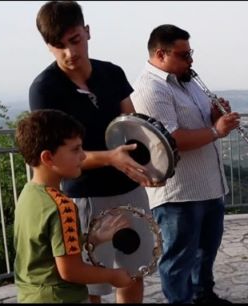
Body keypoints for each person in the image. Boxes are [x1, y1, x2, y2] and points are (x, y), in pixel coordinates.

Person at [29, 1, 157, 303]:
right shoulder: (45, 89)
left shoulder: (111, 73)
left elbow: (133, 126)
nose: (70, 53)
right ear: (48, 45)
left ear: (87, 32)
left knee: (133, 270)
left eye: (75, 40)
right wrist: (111, 157)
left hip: (128, 190)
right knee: (92, 281)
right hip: (84, 195)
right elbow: (60, 156)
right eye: (58, 45)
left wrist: (151, 165)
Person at [129, 24, 239, 304]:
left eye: (191, 53)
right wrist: (217, 131)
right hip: (180, 191)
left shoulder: (187, 82)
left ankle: (204, 295)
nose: (190, 61)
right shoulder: (150, 88)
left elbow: (197, 122)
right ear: (160, 54)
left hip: (208, 185)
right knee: (179, 259)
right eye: (183, 55)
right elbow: (171, 138)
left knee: (206, 252)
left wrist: (213, 114)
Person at [13, 109, 134, 303]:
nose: (83, 156)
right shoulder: (62, 206)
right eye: (75, 149)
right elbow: (71, 271)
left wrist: (93, 238)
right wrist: (112, 276)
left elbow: (49, 250)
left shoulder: (29, 194)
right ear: (48, 158)